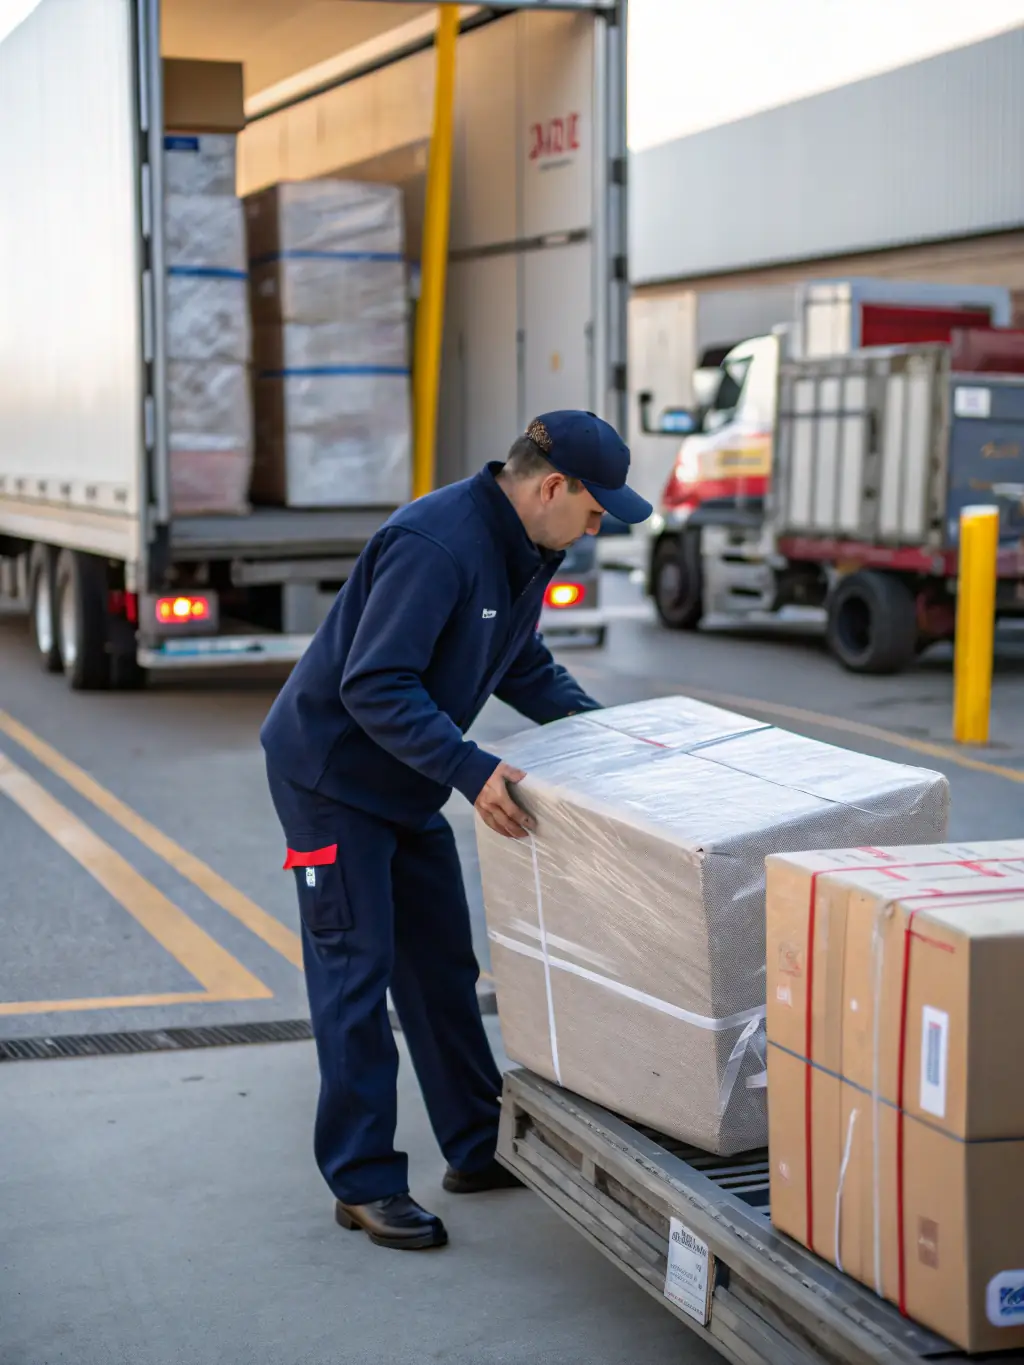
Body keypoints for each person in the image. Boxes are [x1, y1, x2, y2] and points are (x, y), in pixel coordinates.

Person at [260, 409, 652, 1251]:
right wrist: (472, 771)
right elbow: (375, 684)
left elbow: (521, 665)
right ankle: (363, 1182)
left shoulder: (525, 551)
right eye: (594, 511)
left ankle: (477, 1144)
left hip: (401, 781)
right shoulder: (436, 543)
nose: (595, 530)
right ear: (553, 486)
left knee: (440, 962)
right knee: (356, 976)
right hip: (331, 779)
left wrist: (616, 742)